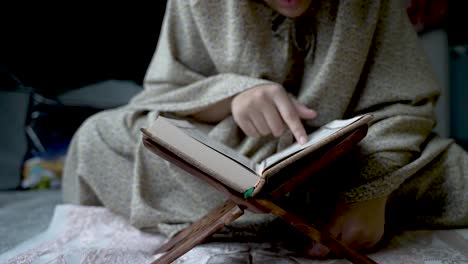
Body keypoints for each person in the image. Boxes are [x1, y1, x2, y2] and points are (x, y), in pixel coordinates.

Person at [62, 0, 468, 258]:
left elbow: (407, 102)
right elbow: (162, 95)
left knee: (455, 169)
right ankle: (297, 214)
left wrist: (373, 190)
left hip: (345, 161)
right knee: (97, 137)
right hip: (225, 153)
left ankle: (299, 214)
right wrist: (233, 95)